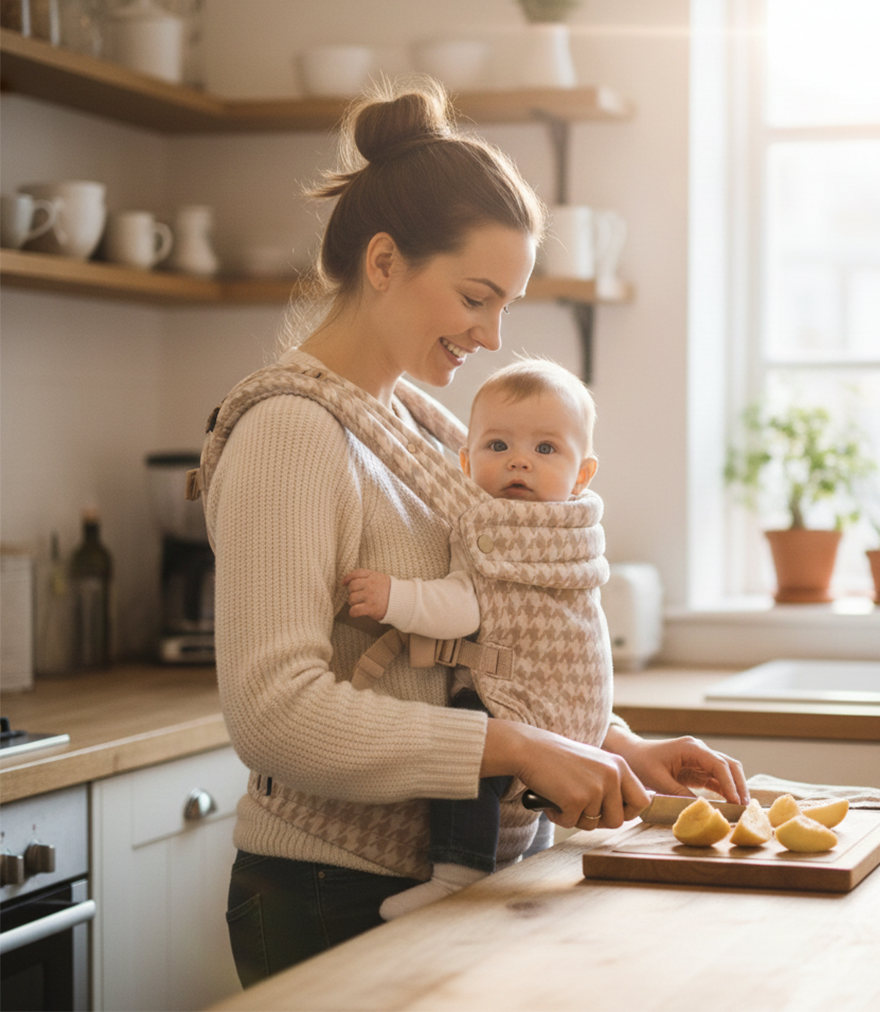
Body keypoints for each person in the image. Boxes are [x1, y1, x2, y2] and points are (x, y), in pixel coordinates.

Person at [200, 79, 748, 987]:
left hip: (455, 881)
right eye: (476, 298)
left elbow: (476, 654)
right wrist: (522, 749)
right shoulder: (290, 434)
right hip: (331, 889)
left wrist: (614, 744)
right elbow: (274, 713)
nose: (493, 337)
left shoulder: (424, 428)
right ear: (384, 263)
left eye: (507, 306)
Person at [342, 356, 603, 919]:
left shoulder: (503, 533)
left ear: (583, 473)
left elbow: (462, 606)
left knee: (467, 742)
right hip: (572, 713)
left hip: (518, 703)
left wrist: (394, 598)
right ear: (465, 461)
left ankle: (458, 869)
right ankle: (530, 853)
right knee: (520, 802)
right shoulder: (570, 534)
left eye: (546, 449)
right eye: (498, 446)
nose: (519, 464)